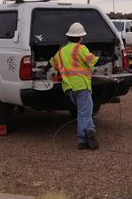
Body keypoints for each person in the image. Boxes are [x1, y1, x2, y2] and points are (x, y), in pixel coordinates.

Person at [48, 22, 113, 150]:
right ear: (81, 37)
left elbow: (51, 63)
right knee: (84, 113)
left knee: (85, 112)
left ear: (68, 36)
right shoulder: (81, 49)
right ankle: (83, 139)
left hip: (68, 87)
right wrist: (110, 58)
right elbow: (94, 61)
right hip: (81, 85)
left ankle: (90, 129)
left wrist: (42, 71)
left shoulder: (61, 51)